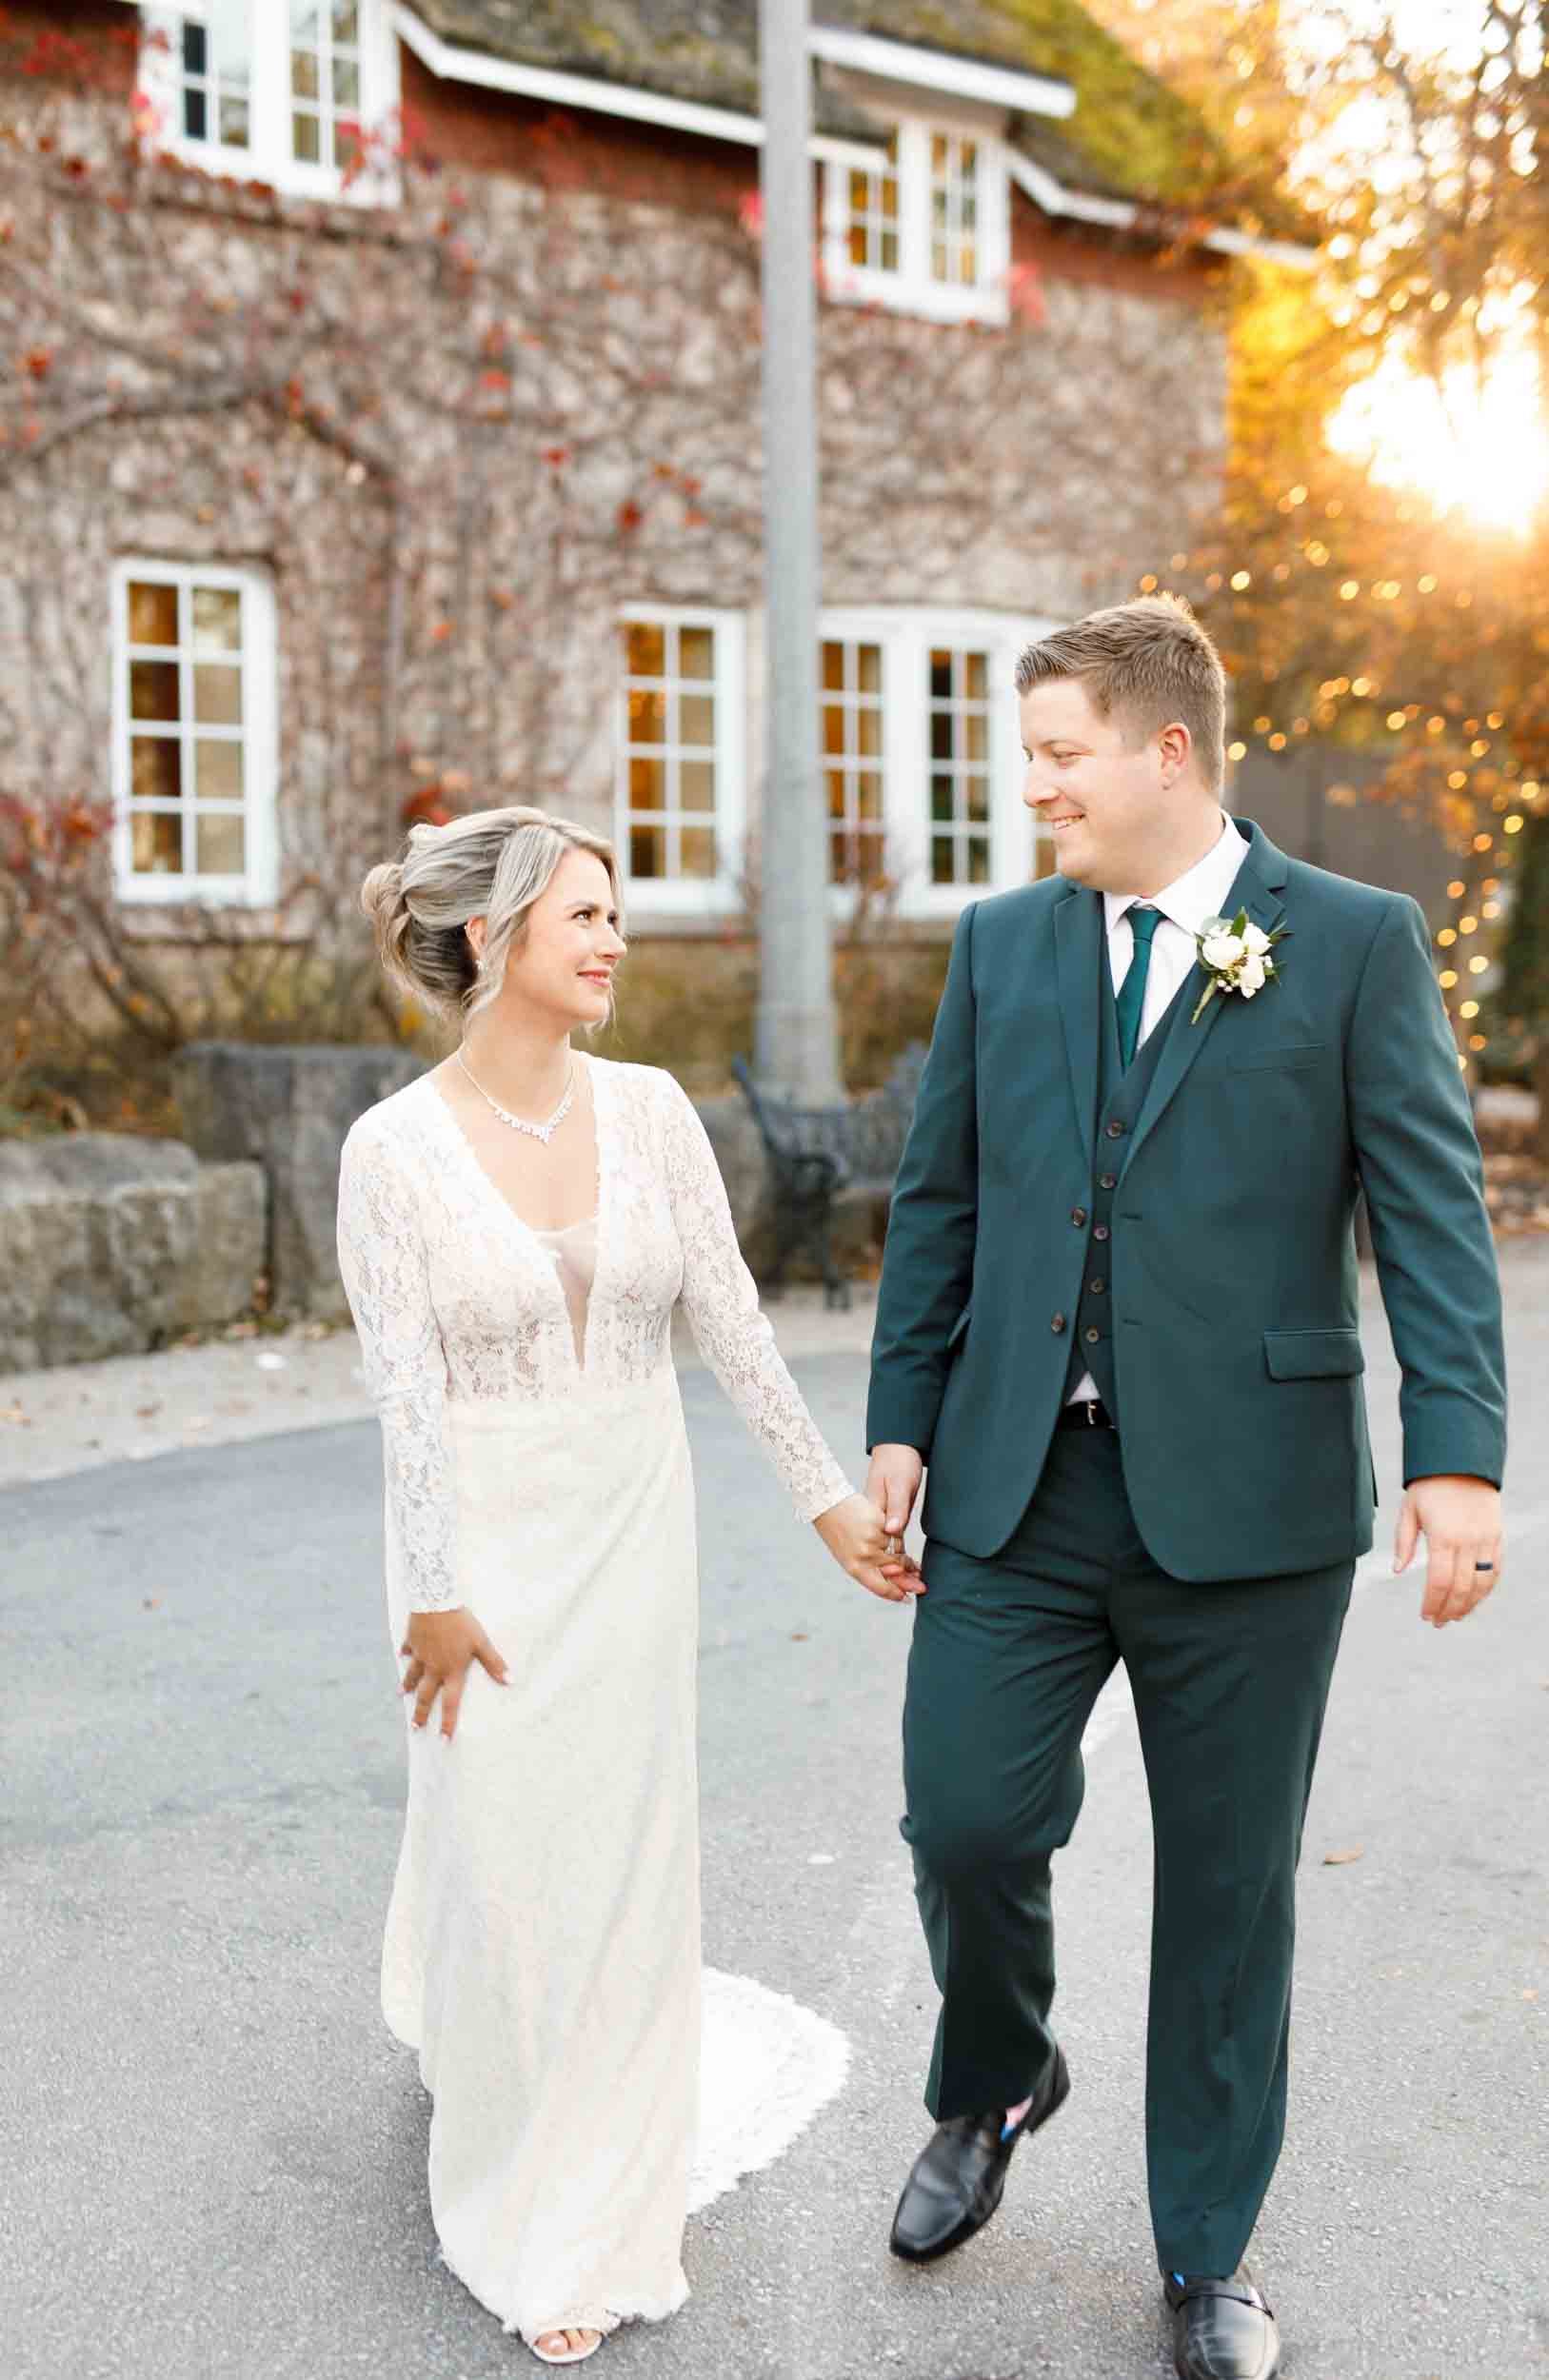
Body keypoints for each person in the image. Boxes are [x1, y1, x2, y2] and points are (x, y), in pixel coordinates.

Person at [864, 594, 1506, 2380]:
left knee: (1228, 1894)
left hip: (1255, 1510)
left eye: (1059, 757)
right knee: (966, 1822)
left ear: (1168, 749)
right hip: (1018, 1484)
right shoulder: (1003, 946)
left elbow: (1433, 1216)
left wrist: (1458, 1456)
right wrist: (902, 1419)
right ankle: (996, 2079)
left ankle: (1206, 2252)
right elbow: (943, 1199)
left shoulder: (1357, 942)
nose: (1034, 791)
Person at [336, 805, 913, 2367]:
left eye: (616, 921)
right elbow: (404, 1399)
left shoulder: (654, 1111)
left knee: (625, 1853)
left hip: (632, 1527)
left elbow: (728, 1319)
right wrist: (437, 1595)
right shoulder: (391, 1151)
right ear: (488, 938)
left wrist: (828, 1504)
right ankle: (505, 2138)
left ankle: (595, 2202)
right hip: (483, 1552)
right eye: (583, 916)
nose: (611, 945)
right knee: (504, 1845)